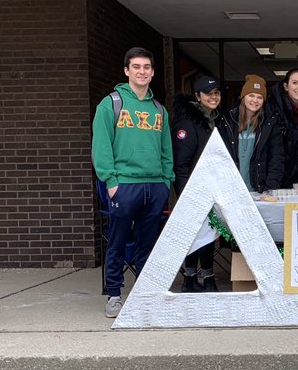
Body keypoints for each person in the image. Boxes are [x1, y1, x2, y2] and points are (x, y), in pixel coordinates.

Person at [92, 46, 174, 318]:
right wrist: (111, 181)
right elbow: (101, 146)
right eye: (136, 67)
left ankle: (145, 293)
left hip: (154, 186)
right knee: (117, 241)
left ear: (152, 73)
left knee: (148, 244)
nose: (142, 72)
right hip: (124, 184)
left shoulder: (159, 109)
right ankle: (114, 295)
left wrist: (166, 181)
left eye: (147, 68)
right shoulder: (111, 103)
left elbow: (166, 151)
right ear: (127, 71)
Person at [172, 75, 223, 292]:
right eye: (208, 94)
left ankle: (205, 278)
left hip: (212, 187)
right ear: (197, 96)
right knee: (195, 233)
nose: (213, 97)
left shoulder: (215, 120)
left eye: (217, 93)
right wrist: (187, 195)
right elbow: (181, 165)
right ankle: (191, 280)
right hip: (192, 189)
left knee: (208, 233)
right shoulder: (188, 123)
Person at [218, 74, 285, 192]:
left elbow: (276, 160)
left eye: (259, 97)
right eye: (251, 95)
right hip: (231, 191)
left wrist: (270, 190)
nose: (255, 100)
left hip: (258, 191)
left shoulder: (270, 124)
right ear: (243, 97)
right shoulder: (228, 122)